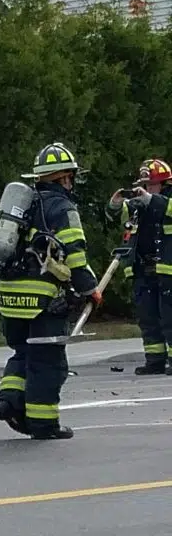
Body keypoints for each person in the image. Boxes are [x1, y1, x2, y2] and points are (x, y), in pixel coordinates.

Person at [0, 141, 101, 439]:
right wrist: (89, 289)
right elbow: (76, 255)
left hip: (10, 297)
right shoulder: (63, 208)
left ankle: (9, 401)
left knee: (23, 352)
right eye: (70, 177)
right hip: (43, 300)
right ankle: (43, 424)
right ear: (65, 177)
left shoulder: (23, 205)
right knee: (49, 363)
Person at [110, 156, 171, 375]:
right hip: (142, 269)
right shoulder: (138, 206)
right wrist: (115, 205)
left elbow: (165, 208)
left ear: (164, 184)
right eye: (143, 185)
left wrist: (150, 200)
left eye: (151, 185)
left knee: (169, 317)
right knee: (148, 318)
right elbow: (116, 219)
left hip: (168, 270)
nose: (146, 189)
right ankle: (154, 360)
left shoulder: (167, 202)